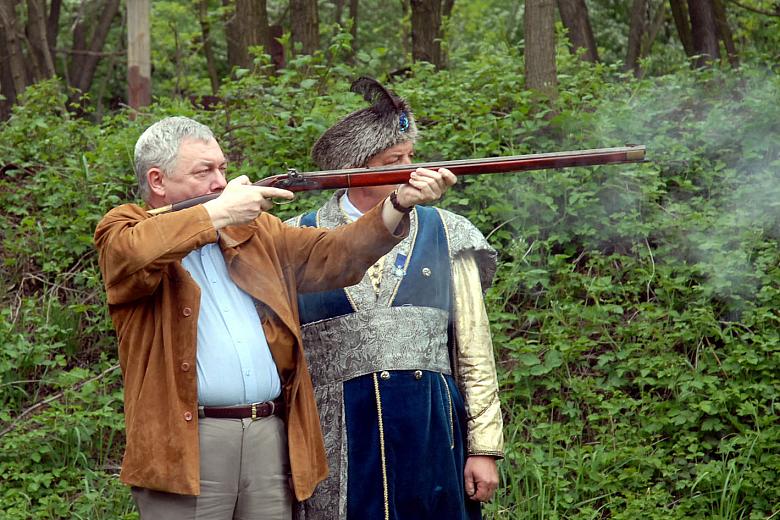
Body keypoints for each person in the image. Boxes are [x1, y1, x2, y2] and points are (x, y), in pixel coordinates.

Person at [93, 115, 456, 520]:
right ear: (158, 181)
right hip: (186, 444)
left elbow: (335, 254)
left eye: (222, 169)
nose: (221, 182)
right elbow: (131, 253)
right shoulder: (125, 228)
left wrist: (397, 203)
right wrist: (218, 213)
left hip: (268, 434)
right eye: (204, 171)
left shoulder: (257, 231)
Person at [286, 77, 504, 520]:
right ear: (358, 168)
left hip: (431, 429)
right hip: (335, 436)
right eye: (394, 160)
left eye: (409, 156)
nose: (412, 169)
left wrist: (484, 447)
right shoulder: (295, 235)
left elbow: (474, 350)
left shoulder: (449, 232)